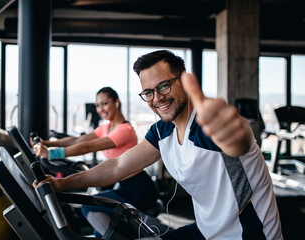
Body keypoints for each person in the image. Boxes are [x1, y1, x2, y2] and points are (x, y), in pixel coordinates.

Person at [33, 50, 283, 240]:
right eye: (148, 92)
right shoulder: (162, 131)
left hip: (247, 234)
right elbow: (118, 165)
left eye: (164, 85)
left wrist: (236, 133)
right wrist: (62, 183)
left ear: (184, 81)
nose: (157, 98)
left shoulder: (210, 127)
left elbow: (237, 141)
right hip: (206, 230)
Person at [32, 86, 159, 238]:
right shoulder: (106, 127)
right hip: (124, 185)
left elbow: (89, 146)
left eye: (104, 104)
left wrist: (51, 154)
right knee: (98, 230)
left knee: (89, 207)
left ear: (116, 102)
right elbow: (79, 140)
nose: (100, 109)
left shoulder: (125, 129)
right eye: (98, 105)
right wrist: (45, 143)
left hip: (139, 188)